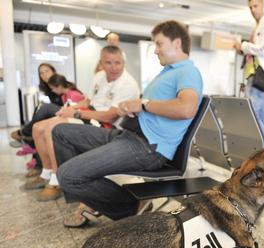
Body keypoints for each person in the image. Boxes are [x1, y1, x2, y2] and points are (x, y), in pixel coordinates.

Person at [53, 20, 203, 227]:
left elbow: (187, 108)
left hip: (146, 148)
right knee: (61, 131)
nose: (155, 50)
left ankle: (130, 207)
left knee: (67, 175)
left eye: (159, 44)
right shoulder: (168, 71)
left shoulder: (187, 71)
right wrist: (132, 107)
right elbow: (152, 107)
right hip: (128, 135)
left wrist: (143, 105)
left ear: (176, 43)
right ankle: (93, 197)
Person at [23, 45, 140, 202]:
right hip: (89, 115)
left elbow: (108, 117)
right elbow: (87, 100)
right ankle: (45, 173)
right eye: (108, 63)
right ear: (101, 63)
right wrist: (71, 107)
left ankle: (55, 181)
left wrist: (76, 113)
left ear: (123, 62)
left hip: (107, 127)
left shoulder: (128, 84)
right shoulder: (99, 76)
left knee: (52, 129)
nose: (113, 67)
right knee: (38, 127)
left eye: (117, 63)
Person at [233, 0, 264, 147]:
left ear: (263, 5)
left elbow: (263, 49)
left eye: (255, 6)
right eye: (250, 7)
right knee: (258, 115)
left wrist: (244, 46)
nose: (253, 10)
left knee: (253, 115)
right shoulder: (258, 25)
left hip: (261, 75)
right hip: (253, 74)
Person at [10, 63, 62, 144]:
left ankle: (25, 132)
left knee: (46, 107)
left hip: (66, 110)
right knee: (39, 107)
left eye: (47, 71)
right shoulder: (46, 87)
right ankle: (31, 136)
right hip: (58, 111)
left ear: (53, 71)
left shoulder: (59, 82)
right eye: (41, 73)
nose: (45, 75)